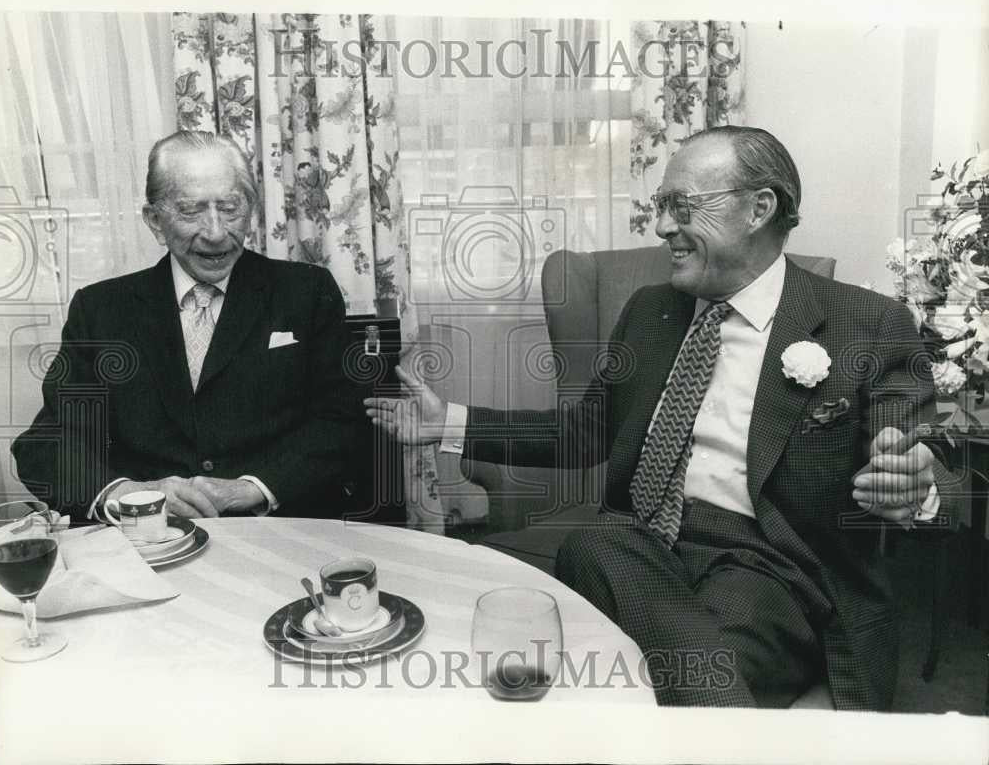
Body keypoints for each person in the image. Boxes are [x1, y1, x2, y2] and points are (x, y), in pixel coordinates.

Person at [365, 126, 958, 710]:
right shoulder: (650, 311)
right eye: (660, 206)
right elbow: (584, 433)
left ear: (759, 208)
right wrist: (446, 422)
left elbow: (917, 451)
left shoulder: (867, 323)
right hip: (643, 543)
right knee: (603, 543)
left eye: (681, 206)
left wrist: (916, 486)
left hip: (771, 568)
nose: (663, 226)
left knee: (615, 607)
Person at [12, 130, 361, 521]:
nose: (215, 233)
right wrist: (126, 494)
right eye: (191, 211)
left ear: (250, 207)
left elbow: (342, 420)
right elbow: (47, 443)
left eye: (230, 207)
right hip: (149, 543)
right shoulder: (100, 310)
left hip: (283, 532)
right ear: (155, 221)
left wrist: (255, 487)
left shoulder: (307, 292)